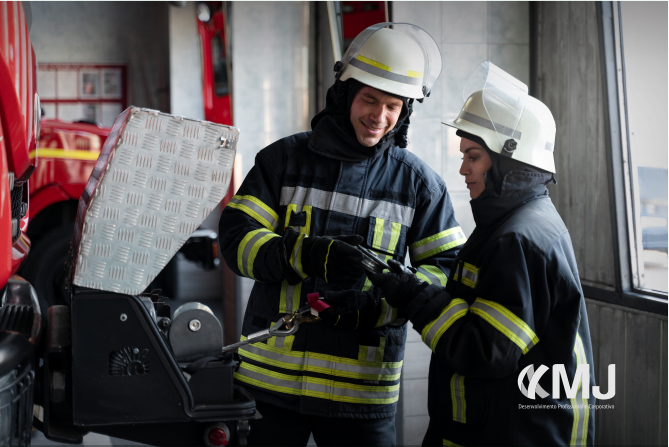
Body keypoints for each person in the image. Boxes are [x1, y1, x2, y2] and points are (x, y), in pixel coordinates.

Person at [218, 23, 465, 446]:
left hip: (361, 394)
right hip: (270, 383)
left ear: (405, 111)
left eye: (392, 106)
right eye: (369, 99)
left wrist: (378, 303)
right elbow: (236, 241)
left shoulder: (421, 186)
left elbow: (446, 276)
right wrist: (305, 255)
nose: (378, 116)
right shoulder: (283, 160)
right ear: (344, 94)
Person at [363, 62, 596, 446]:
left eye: (473, 157)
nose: (462, 169)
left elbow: (484, 351)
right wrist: (406, 285)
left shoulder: (517, 239)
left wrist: (413, 297)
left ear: (507, 160)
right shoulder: (514, 221)